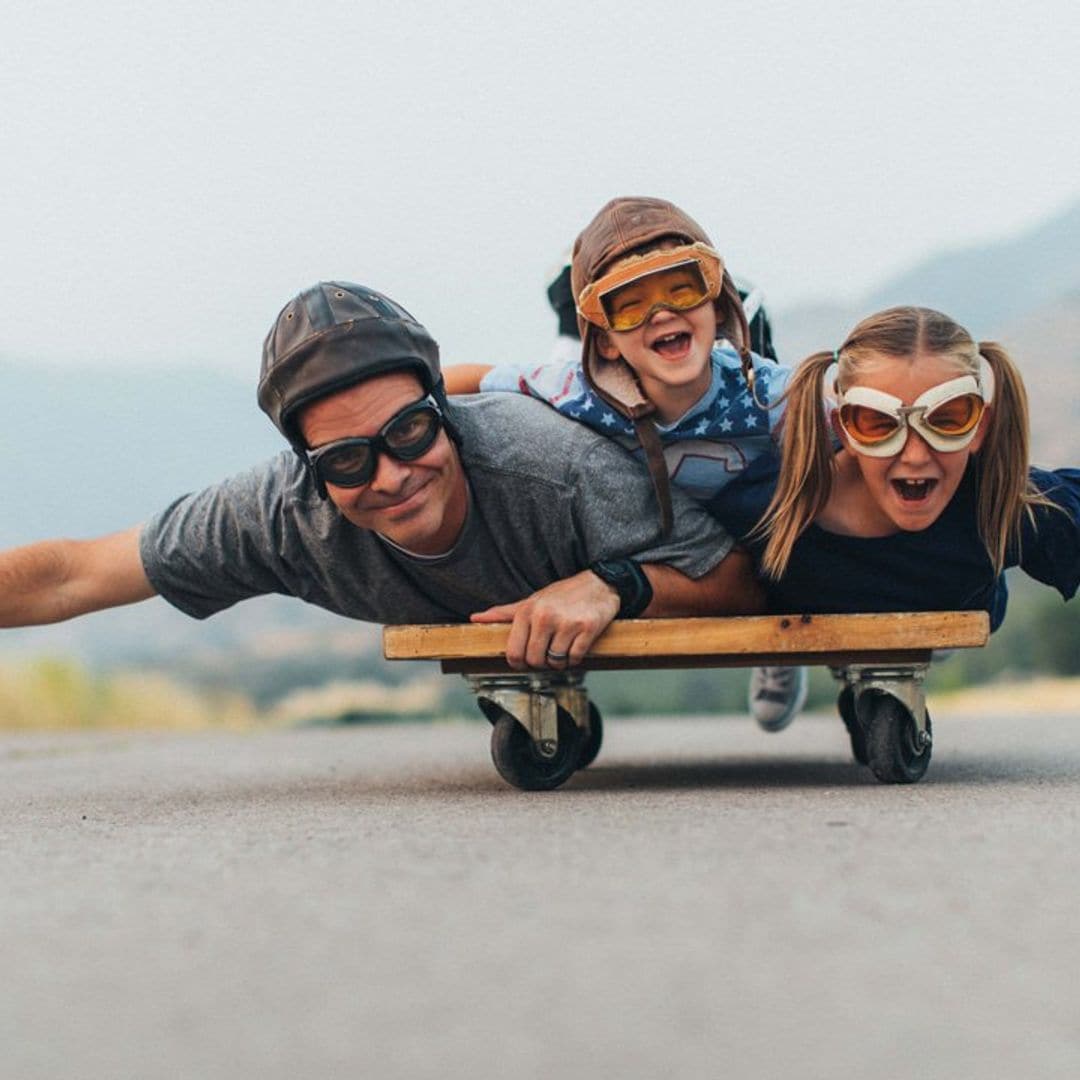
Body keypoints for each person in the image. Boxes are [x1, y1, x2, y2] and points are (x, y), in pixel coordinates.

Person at [0, 282, 764, 671]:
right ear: (309, 468)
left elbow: (742, 583)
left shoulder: (558, 466)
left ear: (443, 410)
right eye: (347, 460)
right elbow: (72, 576)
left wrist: (612, 584)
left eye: (409, 432)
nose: (394, 475)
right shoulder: (279, 514)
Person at [444, 196, 807, 730]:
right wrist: (390, 403)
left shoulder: (767, 391)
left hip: (771, 540)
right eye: (629, 304)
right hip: (672, 543)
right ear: (606, 340)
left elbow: (854, 406)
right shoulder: (578, 389)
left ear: (716, 303)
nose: (662, 313)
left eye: (682, 288)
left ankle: (798, 642)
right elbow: (477, 378)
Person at [708, 305, 1079, 628]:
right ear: (846, 432)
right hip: (798, 618)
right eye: (879, 423)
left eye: (947, 420)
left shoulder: (1005, 505)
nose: (915, 455)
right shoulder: (769, 507)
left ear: (979, 428)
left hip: (957, 602)